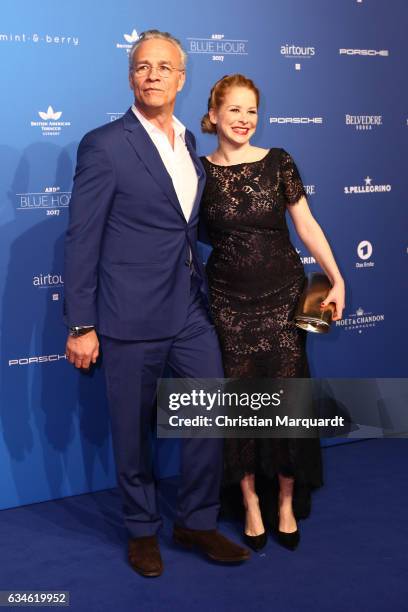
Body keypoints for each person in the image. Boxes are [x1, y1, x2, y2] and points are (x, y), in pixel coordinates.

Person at [64, 33, 250, 577]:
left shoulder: (189, 140)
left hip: (188, 308)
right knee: (132, 429)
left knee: (208, 415)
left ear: (181, 79)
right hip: (126, 313)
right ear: (131, 78)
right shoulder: (104, 144)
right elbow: (82, 239)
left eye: (164, 67)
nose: (152, 75)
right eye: (142, 67)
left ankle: (195, 519)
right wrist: (81, 323)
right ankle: (142, 528)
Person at [200, 74, 345, 551]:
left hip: (283, 298)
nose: (244, 120)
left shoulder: (279, 161)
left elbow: (306, 224)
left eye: (252, 111)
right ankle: (251, 504)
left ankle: (284, 502)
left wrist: (337, 277)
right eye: (235, 110)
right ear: (214, 114)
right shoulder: (198, 173)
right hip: (227, 302)